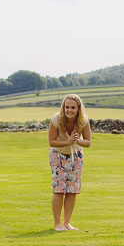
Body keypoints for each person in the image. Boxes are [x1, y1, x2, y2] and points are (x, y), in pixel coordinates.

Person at [47, 94, 91, 231]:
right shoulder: (56, 119)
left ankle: (67, 223)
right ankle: (57, 224)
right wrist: (68, 142)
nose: (69, 110)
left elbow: (88, 142)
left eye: (73, 107)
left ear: (78, 109)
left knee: (72, 190)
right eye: (67, 107)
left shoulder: (83, 121)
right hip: (58, 155)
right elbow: (52, 141)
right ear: (63, 107)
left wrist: (77, 141)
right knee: (59, 190)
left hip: (76, 156)